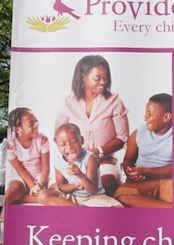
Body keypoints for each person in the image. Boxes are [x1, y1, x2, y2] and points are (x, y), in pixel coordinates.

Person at [54, 55, 130, 192]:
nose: (103, 82)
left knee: (106, 184)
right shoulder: (68, 102)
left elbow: (122, 138)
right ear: (83, 77)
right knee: (59, 188)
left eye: (105, 78)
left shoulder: (114, 101)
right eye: (97, 78)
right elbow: (58, 136)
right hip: (75, 162)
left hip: (105, 161)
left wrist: (98, 152)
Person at [45, 123, 123, 207]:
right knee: (43, 195)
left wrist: (80, 175)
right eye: (63, 144)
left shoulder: (90, 159)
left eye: (74, 141)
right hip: (73, 197)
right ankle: (78, 209)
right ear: (57, 144)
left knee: (118, 208)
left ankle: (79, 210)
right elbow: (61, 187)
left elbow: (93, 190)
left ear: (81, 140)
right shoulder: (57, 161)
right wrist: (75, 185)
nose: (69, 146)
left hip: (93, 197)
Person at [118, 93, 174, 209]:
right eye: (146, 113)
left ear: (166, 117)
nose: (145, 118)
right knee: (121, 196)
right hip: (142, 183)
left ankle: (166, 208)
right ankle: (169, 208)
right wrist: (130, 173)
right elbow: (128, 159)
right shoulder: (138, 133)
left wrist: (146, 171)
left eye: (149, 114)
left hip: (166, 181)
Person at [4, 107, 50, 205]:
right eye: (31, 124)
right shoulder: (11, 145)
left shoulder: (42, 140)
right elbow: (21, 170)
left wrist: (40, 184)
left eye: (36, 121)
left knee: (58, 190)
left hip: (41, 177)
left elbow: (45, 167)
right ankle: (3, 210)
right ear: (17, 129)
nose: (36, 125)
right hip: (23, 177)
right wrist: (32, 186)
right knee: (13, 189)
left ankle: (22, 199)